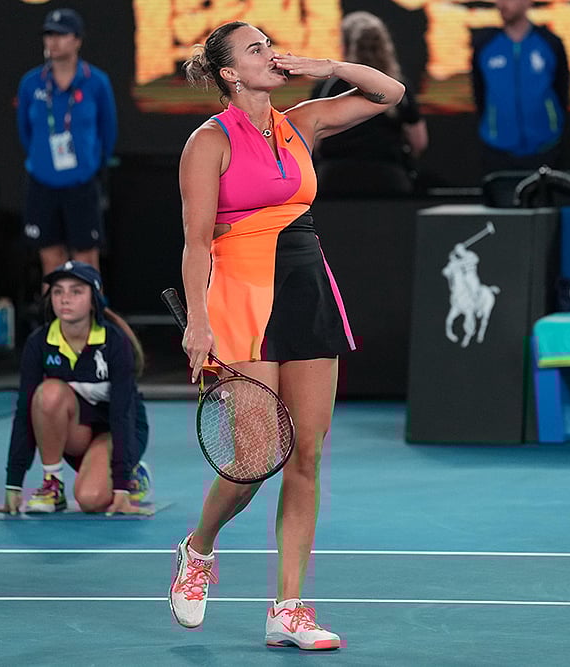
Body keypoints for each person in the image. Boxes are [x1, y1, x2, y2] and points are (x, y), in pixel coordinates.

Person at [169, 21, 404, 650]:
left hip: (306, 288)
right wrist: (198, 321)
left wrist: (318, 62)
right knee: (252, 462)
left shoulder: (302, 122)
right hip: (240, 297)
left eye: (270, 45)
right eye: (255, 50)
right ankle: (199, 547)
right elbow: (195, 245)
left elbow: (390, 93)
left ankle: (289, 608)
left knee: (307, 454)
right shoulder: (207, 143)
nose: (268, 55)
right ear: (228, 73)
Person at [2, 260, 149, 515]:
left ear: (94, 300)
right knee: (48, 394)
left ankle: (134, 473)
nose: (65, 299)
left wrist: (122, 485)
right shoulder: (39, 343)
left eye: (76, 291)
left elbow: (122, 414)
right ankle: (52, 485)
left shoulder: (115, 343)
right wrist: (13, 483)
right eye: (58, 291)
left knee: (91, 500)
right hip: (76, 431)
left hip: (118, 431)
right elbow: (24, 411)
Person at [16, 8, 118, 277]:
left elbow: (108, 131)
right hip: (42, 184)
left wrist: (92, 165)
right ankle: (53, 319)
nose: (53, 41)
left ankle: (92, 318)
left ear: (77, 40)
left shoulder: (96, 82)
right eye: (49, 34)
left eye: (61, 35)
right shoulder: (30, 83)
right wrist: (41, 162)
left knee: (86, 259)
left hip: (82, 185)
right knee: (50, 259)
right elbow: (25, 131)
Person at [310, 11, 428, 195]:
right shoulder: (397, 87)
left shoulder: (326, 88)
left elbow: (312, 142)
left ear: (345, 45)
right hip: (389, 179)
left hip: (334, 179)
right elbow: (419, 142)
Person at [471, 0, 570, 175]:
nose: (501, 4)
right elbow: (480, 94)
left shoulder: (550, 43)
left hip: (545, 150)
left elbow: (561, 91)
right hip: (497, 152)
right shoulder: (484, 45)